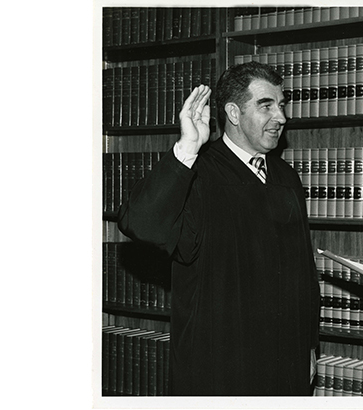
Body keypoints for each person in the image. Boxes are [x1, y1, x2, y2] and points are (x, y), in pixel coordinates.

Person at [117, 61, 320, 396]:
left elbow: (304, 273)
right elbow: (140, 222)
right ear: (234, 113)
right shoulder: (199, 172)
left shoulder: (286, 178)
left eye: (281, 105)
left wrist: (309, 346)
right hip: (221, 367)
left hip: (286, 363)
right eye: (266, 106)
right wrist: (186, 149)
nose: (281, 117)